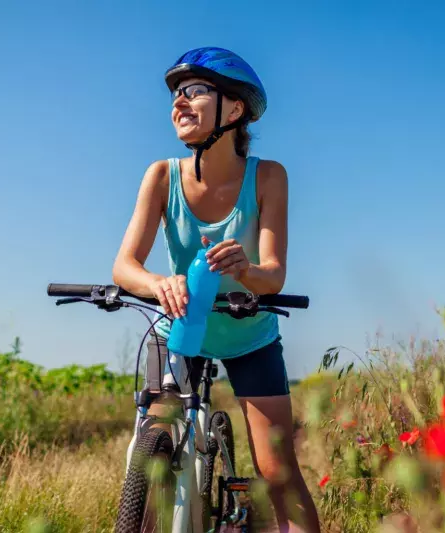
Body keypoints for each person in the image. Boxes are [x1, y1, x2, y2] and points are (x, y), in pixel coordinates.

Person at [112, 46, 321, 533]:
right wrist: (159, 282)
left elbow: (274, 275)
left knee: (278, 473)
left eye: (194, 92)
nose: (179, 104)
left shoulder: (268, 177)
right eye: (175, 96)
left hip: (250, 336)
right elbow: (125, 266)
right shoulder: (161, 176)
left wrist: (246, 270)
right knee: (149, 450)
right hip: (180, 328)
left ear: (234, 109)